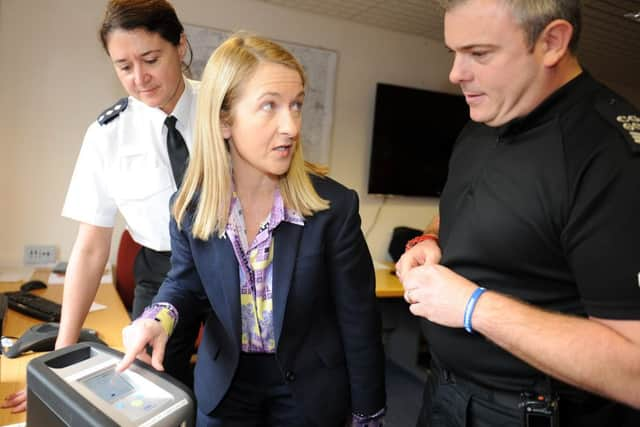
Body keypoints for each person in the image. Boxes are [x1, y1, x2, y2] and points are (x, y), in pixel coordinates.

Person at [116, 33, 387, 426]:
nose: (291, 126)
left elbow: (359, 320)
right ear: (225, 120)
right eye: (269, 106)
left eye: (295, 106)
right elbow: (185, 284)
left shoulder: (334, 208)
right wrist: (157, 318)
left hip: (310, 388)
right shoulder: (190, 207)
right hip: (227, 383)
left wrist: (367, 414)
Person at [396, 0, 640, 426]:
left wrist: (474, 307)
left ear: (552, 42)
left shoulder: (611, 156)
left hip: (531, 413)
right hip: (443, 393)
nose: (456, 73)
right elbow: (471, 212)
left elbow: (635, 372)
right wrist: (428, 240)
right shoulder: (482, 121)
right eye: (454, 52)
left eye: (480, 53)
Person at [1, 0, 202, 414]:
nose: (139, 78)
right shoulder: (107, 135)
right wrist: (58, 361)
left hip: (235, 263)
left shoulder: (225, 109)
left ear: (180, 46)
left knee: (227, 393)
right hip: (164, 271)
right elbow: (91, 248)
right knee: (150, 391)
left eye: (150, 59)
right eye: (124, 66)